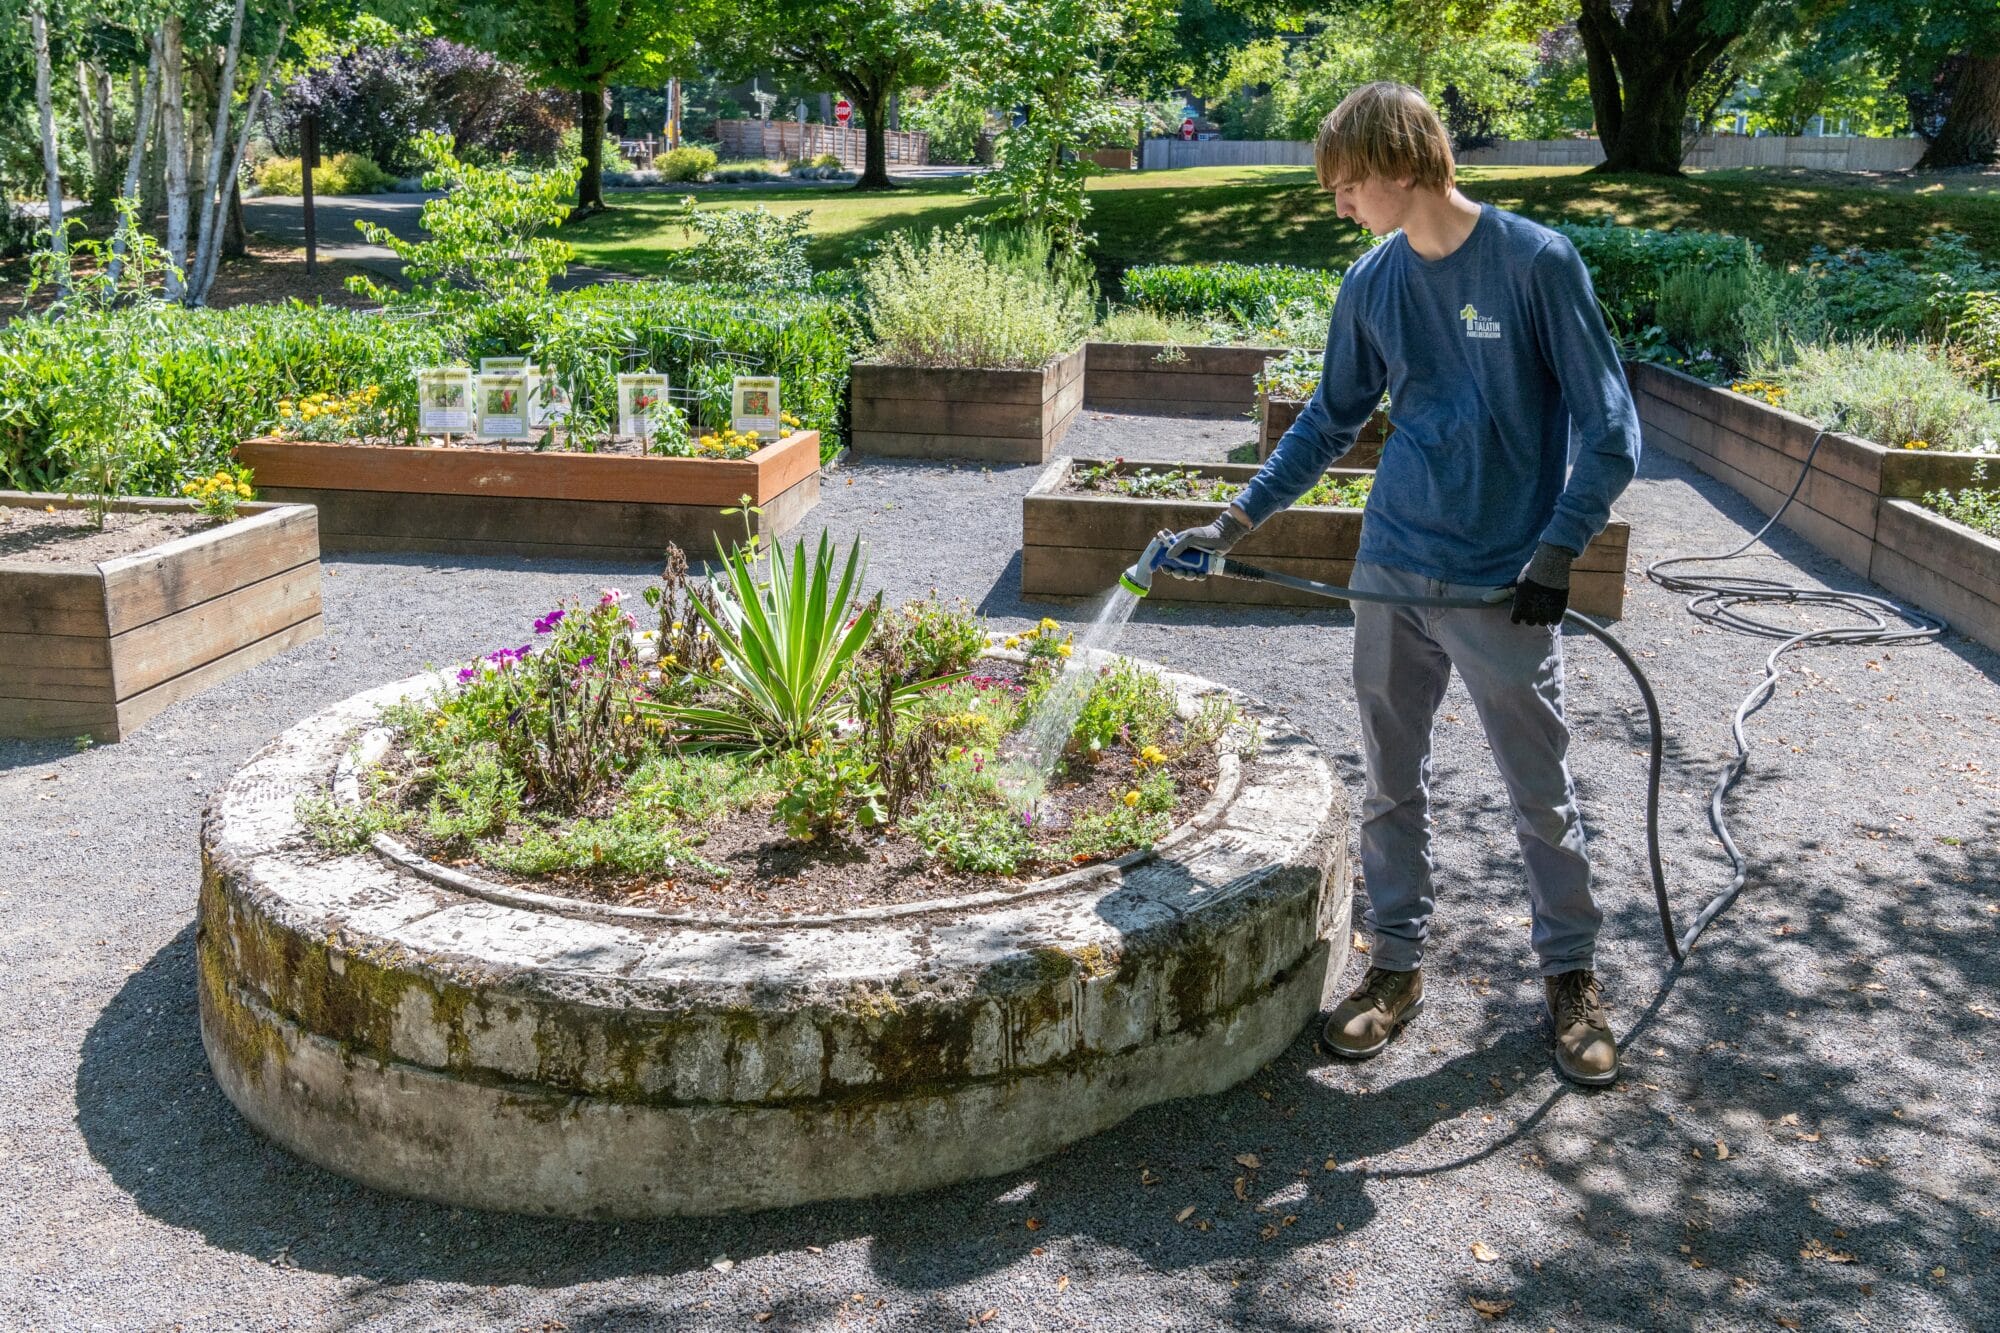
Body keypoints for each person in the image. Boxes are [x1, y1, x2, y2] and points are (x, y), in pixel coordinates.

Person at [1163, 81, 1639, 1086]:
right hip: (1391, 565)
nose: (1337, 204)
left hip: (1502, 582)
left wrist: (1555, 550)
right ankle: (1394, 965)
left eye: (1344, 185)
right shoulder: (1372, 283)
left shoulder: (1533, 264)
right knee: (1389, 785)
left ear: (1398, 163)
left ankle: (1569, 978)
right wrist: (1236, 515)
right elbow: (1327, 419)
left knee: (1538, 791)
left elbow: (1609, 432)